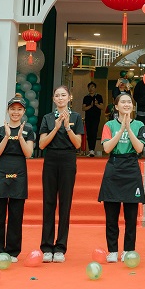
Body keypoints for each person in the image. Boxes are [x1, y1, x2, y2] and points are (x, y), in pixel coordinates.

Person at [98, 92, 145, 261]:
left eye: (129, 102)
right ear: (116, 106)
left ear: (132, 107)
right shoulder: (109, 125)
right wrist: (120, 130)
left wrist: (128, 128)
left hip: (131, 168)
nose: (126, 104)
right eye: (123, 102)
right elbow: (107, 148)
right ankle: (112, 250)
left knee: (131, 215)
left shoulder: (139, 124)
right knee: (111, 214)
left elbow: (140, 148)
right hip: (114, 167)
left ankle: (128, 249)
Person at [38, 86, 84, 262]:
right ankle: (46, 246)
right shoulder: (48, 118)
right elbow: (42, 144)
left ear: (69, 97)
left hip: (68, 159)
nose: (60, 98)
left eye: (63, 95)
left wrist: (67, 127)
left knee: (65, 203)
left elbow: (78, 144)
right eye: (57, 95)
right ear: (53, 99)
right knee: (48, 202)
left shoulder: (76, 117)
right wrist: (56, 128)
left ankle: (60, 247)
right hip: (50, 159)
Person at [0, 97, 35, 261]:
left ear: (23, 112)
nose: (15, 112)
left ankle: (12, 251)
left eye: (19, 109)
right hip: (1, 171)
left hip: (19, 171)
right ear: (8, 111)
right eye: (13, 109)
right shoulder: (0, 131)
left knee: (16, 215)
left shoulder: (28, 130)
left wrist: (20, 137)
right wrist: (7, 137)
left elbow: (29, 153)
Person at [82, 81, 104, 156]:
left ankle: (92, 150)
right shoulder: (86, 97)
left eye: (92, 87)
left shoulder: (99, 97)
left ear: (95, 88)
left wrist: (96, 104)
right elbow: (83, 108)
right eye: (89, 87)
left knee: (94, 132)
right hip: (88, 118)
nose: (91, 89)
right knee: (89, 133)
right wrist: (90, 106)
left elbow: (102, 107)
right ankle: (90, 150)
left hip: (96, 118)